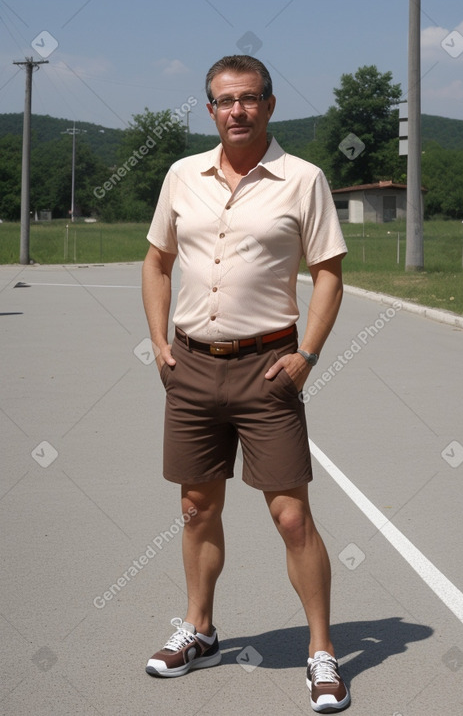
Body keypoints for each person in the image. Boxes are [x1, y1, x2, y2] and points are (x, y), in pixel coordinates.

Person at [141, 54, 350, 714]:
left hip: (269, 368)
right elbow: (156, 261)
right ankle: (199, 628)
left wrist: (306, 356)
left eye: (250, 98)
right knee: (196, 508)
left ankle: (322, 652)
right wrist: (157, 341)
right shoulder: (182, 176)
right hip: (193, 366)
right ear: (210, 109)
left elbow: (330, 274)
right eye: (225, 100)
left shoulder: (302, 180)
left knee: (291, 516)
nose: (238, 110)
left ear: (270, 103)